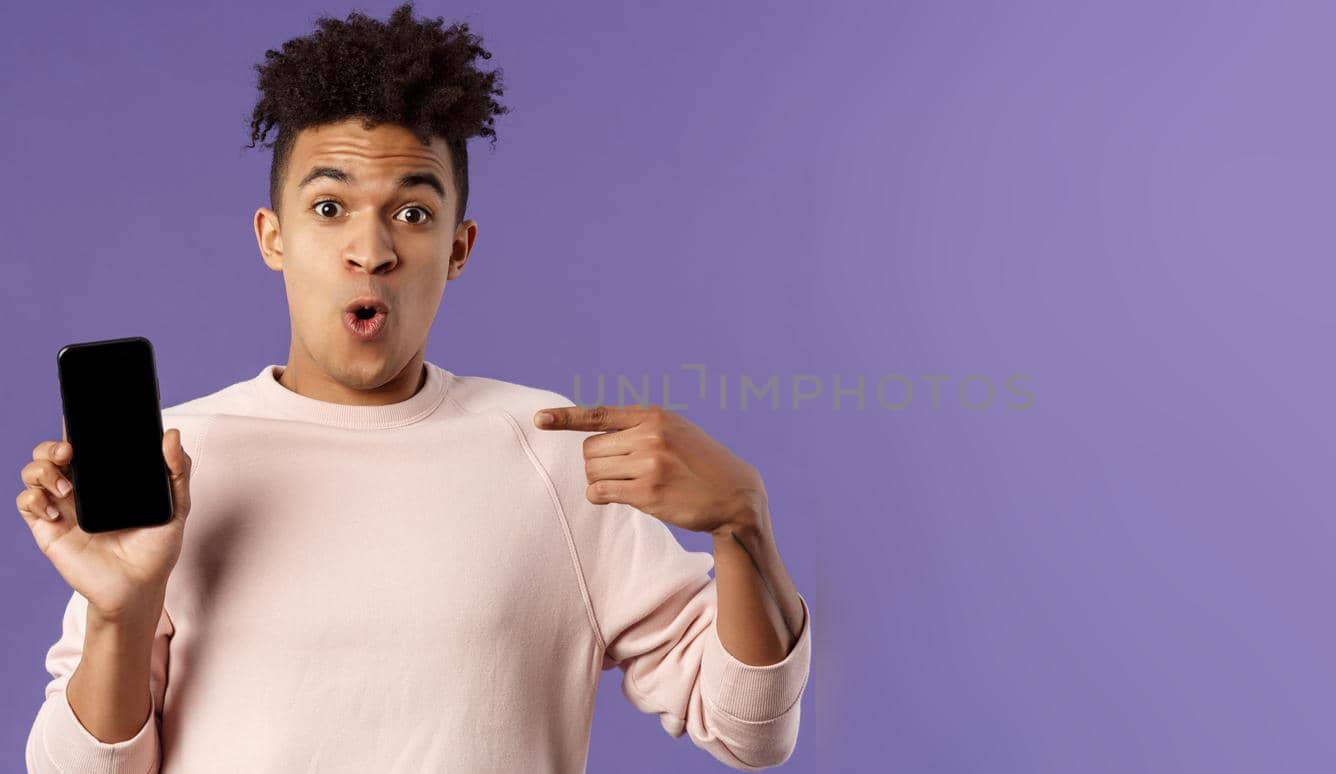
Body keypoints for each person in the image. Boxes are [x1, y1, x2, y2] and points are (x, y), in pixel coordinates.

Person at [15, 4, 810, 771]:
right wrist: (121, 615)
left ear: (459, 249)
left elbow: (749, 732)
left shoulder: (556, 458)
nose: (371, 248)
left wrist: (744, 525)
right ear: (273, 238)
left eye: (414, 214)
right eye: (329, 207)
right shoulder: (176, 465)